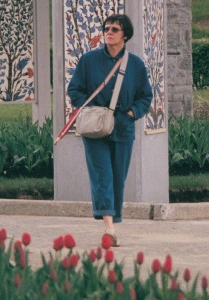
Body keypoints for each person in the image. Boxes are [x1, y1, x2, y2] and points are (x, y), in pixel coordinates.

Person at [67, 14, 153, 247]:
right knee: (102, 175)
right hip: (95, 128)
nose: (109, 32)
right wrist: (90, 109)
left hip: (123, 128)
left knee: (117, 178)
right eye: (107, 28)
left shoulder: (135, 65)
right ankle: (109, 228)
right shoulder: (88, 61)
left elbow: (145, 96)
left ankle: (112, 219)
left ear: (125, 35)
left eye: (115, 29)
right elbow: (75, 90)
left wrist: (131, 114)